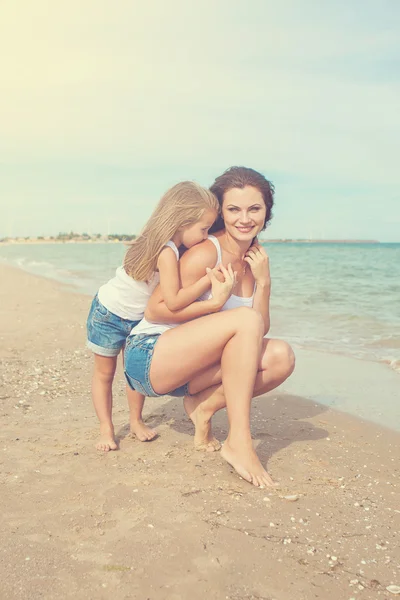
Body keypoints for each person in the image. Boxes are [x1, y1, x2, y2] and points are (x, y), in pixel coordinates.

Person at [124, 167, 295, 487]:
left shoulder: (254, 258)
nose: (244, 218)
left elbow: (259, 328)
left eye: (254, 209)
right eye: (234, 209)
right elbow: (156, 308)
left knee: (280, 356)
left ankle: (202, 408)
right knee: (245, 321)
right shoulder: (206, 252)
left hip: (191, 372)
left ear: (266, 212)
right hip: (149, 355)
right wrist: (215, 306)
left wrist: (264, 281)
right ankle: (239, 441)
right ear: (221, 213)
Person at [86, 181, 219, 452]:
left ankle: (135, 421)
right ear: (182, 221)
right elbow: (173, 301)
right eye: (204, 229)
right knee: (104, 373)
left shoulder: (171, 247)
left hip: (136, 317)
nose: (206, 237)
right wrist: (208, 282)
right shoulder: (166, 252)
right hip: (108, 313)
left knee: (130, 374)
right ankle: (106, 429)